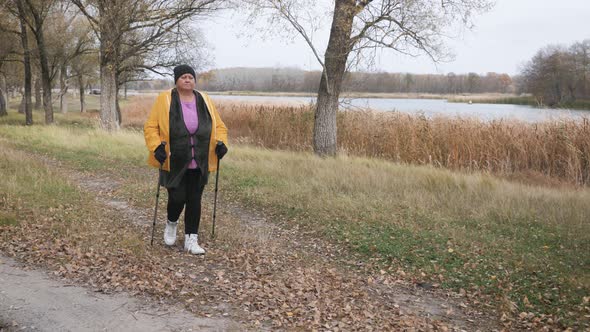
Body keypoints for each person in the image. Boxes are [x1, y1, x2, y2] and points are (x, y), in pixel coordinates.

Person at [144, 64, 228, 255]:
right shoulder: (165, 99)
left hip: (200, 158)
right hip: (174, 159)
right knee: (177, 197)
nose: (187, 80)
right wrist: (156, 146)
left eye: (191, 77)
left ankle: (192, 239)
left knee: (194, 199)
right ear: (176, 80)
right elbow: (151, 127)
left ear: (194, 80)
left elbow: (219, 126)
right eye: (183, 77)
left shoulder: (204, 99)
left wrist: (221, 143)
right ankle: (171, 222)